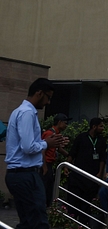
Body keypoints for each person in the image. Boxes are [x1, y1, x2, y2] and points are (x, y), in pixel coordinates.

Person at [4, 78, 68, 228]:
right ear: (39, 93)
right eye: (48, 97)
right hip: (25, 175)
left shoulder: (21, 111)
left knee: (28, 223)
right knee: (39, 222)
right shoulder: (27, 113)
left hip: (20, 174)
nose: (48, 102)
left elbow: (28, 144)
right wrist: (47, 143)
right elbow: (27, 147)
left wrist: (49, 142)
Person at [67, 118, 107, 223]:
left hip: (92, 177)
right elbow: (72, 153)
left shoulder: (101, 140)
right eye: (101, 126)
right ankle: (72, 222)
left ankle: (83, 223)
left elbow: (103, 158)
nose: (103, 128)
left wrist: (100, 173)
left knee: (86, 204)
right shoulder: (81, 138)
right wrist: (67, 166)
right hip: (78, 176)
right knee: (74, 202)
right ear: (94, 127)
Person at [41, 113, 71, 206]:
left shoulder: (56, 134)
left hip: (50, 165)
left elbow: (59, 149)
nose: (66, 125)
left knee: (49, 189)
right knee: (45, 190)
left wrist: (70, 156)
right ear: (59, 122)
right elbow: (42, 149)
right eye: (65, 123)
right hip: (46, 165)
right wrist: (44, 166)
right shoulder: (50, 134)